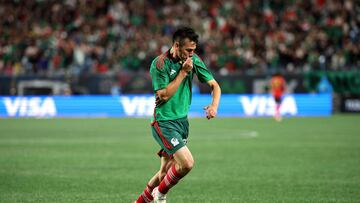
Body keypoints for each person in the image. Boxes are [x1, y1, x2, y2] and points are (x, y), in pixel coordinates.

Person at [135, 27, 221, 203]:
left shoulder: (193, 60)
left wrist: (214, 105)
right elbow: (164, 95)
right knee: (187, 163)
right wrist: (183, 73)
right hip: (164, 122)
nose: (191, 54)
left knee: (165, 173)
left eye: (193, 50)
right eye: (188, 50)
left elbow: (215, 85)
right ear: (176, 45)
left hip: (182, 123)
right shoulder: (160, 64)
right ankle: (160, 194)